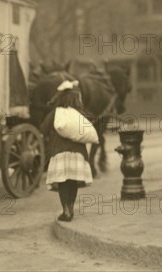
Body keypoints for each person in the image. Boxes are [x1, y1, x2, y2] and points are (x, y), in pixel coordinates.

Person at [40, 80, 94, 222]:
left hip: (60, 153)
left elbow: (43, 129)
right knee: (72, 182)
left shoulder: (55, 113)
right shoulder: (80, 113)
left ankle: (65, 211)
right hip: (78, 155)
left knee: (63, 183)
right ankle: (70, 208)